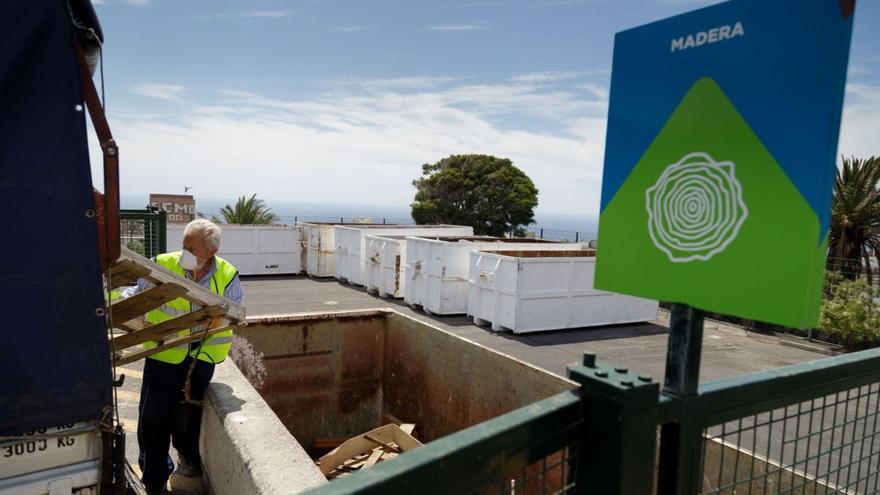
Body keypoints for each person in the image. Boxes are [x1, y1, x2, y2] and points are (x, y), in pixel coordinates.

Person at [121, 219, 243, 494]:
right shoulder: (163, 264)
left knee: (187, 419)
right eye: (183, 245)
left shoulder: (227, 274)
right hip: (164, 356)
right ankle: (155, 481)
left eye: (191, 247)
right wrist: (122, 303)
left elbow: (236, 311)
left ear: (210, 251)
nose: (184, 251)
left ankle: (187, 461)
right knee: (154, 420)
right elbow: (136, 293)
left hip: (201, 361)